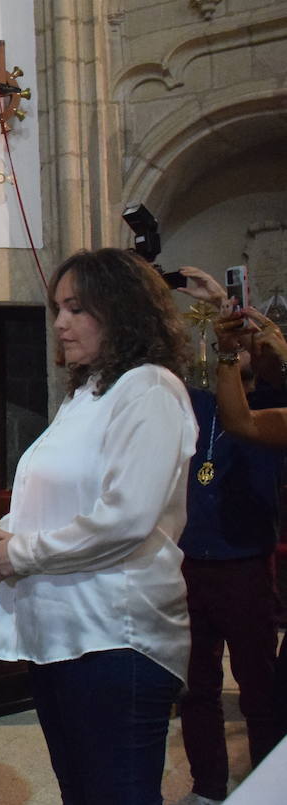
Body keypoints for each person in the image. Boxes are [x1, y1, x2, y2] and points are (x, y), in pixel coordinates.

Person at [0, 248, 196, 805]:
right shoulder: (87, 393)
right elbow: (55, 499)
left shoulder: (149, 388)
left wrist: (18, 554)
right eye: (56, 308)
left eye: (76, 308)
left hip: (115, 637)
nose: (60, 323)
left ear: (121, 311)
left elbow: (127, 517)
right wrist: (2, 533)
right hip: (62, 635)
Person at [173, 268, 284, 805]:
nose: (234, 351)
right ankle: (209, 787)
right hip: (190, 565)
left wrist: (230, 306)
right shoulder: (195, 407)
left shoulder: (270, 408)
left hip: (245, 565)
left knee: (259, 689)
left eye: (243, 346)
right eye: (226, 344)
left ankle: (265, 786)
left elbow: (268, 346)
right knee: (195, 689)